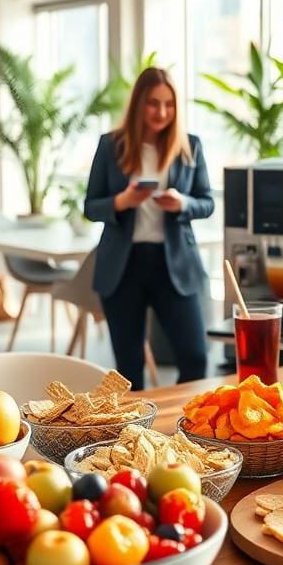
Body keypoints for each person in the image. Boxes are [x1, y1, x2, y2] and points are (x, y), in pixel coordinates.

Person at [85, 67, 214, 390]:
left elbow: (207, 202)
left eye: (169, 104)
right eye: (153, 103)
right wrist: (123, 201)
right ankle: (137, 437)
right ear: (139, 103)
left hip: (174, 265)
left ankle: (185, 432)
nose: (161, 112)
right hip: (123, 266)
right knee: (129, 368)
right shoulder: (110, 145)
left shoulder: (190, 146)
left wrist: (182, 203)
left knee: (195, 356)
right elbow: (90, 206)